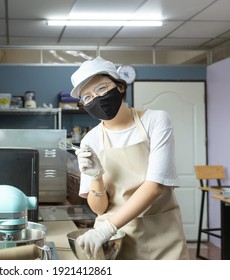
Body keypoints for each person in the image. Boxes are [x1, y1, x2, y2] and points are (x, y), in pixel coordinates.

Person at [70, 56, 189, 260]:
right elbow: (99, 208)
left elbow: (154, 186)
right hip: (116, 239)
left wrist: (105, 229)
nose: (96, 99)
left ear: (120, 87)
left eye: (101, 89)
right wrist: (97, 178)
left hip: (161, 234)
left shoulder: (155, 120)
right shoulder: (90, 139)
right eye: (87, 97)